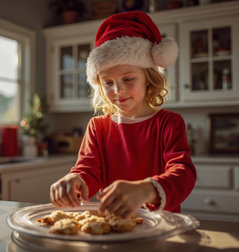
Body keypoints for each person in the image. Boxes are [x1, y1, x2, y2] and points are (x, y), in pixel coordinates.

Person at [50, 11, 196, 218]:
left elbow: (183, 174)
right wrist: (75, 179)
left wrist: (146, 190)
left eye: (128, 79)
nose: (118, 90)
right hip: (113, 225)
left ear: (149, 78)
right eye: (108, 83)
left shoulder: (169, 123)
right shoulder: (97, 127)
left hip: (162, 224)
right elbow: (88, 170)